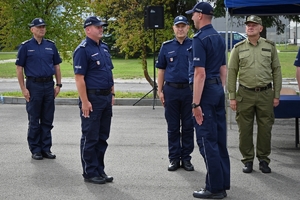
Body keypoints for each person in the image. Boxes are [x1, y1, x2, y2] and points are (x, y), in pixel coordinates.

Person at [185, 2, 230, 199]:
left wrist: (195, 104)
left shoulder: (200, 38)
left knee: (206, 140)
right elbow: (223, 68)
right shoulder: (218, 38)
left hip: (205, 92)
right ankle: (221, 182)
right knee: (219, 140)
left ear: (200, 15)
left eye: (193, 15)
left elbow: (199, 74)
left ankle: (214, 187)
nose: (192, 18)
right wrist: (221, 90)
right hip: (217, 89)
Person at [227, 15, 282, 174]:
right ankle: (248, 160)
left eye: (254, 25)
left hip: (265, 94)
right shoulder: (238, 48)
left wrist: (276, 94)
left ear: (260, 28)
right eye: (248, 25)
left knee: (265, 129)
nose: (250, 27)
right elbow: (232, 72)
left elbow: (277, 71)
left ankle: (264, 160)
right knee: (244, 129)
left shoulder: (269, 47)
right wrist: (232, 97)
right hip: (245, 94)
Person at [73, 16, 115, 184]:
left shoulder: (104, 48)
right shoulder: (82, 50)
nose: (101, 29)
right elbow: (79, 78)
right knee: (90, 136)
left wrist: (112, 93)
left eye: (101, 26)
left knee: (102, 137)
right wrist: (84, 101)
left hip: (105, 97)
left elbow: (109, 72)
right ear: (88, 29)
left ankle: (99, 169)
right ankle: (90, 172)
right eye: (98, 27)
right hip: (92, 98)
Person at [16, 18, 62, 160]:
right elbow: (19, 69)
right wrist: (23, 88)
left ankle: (46, 148)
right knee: (34, 119)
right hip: (33, 85)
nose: (42, 29)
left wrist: (58, 84)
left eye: (43, 27)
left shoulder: (51, 46)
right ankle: (35, 149)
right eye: (39, 27)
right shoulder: (25, 47)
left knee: (48, 118)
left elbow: (57, 66)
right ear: (32, 29)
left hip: (48, 85)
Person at [156, 15, 194, 172]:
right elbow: (161, 70)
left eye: (183, 26)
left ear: (188, 28)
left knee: (188, 126)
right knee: (172, 127)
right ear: (173, 28)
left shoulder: (194, 45)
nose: (180, 29)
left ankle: (186, 159)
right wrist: (160, 90)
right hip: (170, 90)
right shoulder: (166, 46)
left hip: (188, 91)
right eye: (177, 26)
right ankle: (173, 158)